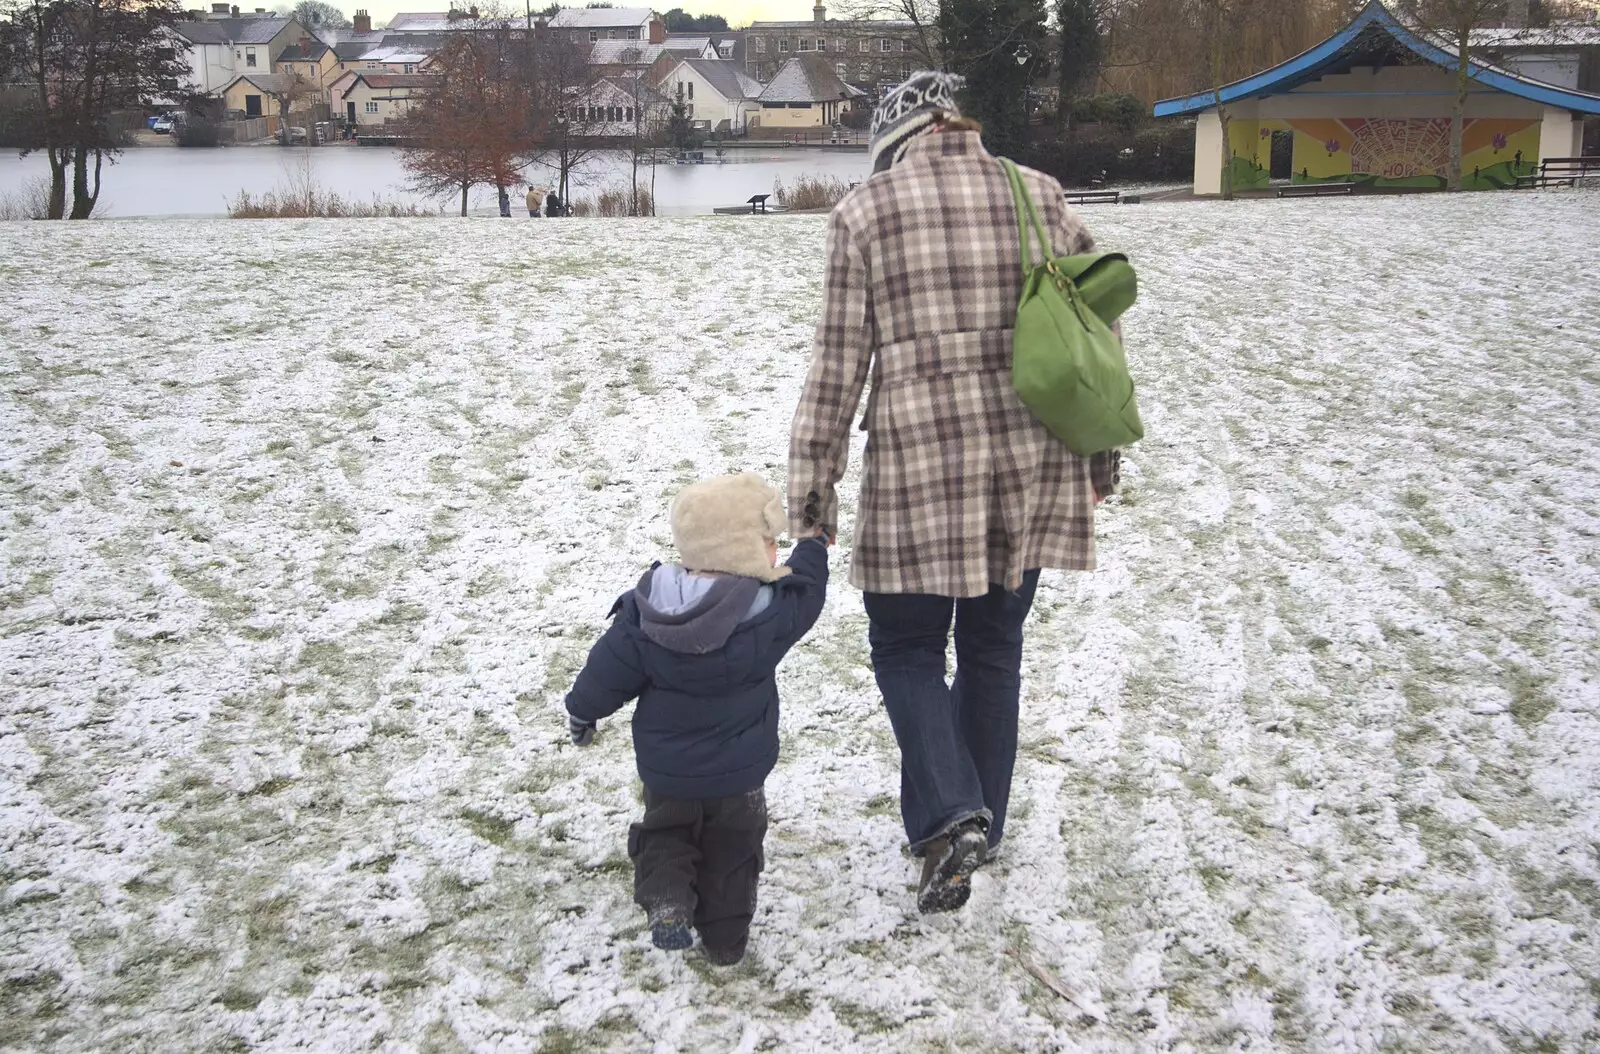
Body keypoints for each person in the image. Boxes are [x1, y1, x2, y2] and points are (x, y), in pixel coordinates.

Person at [787, 71, 1122, 915]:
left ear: (893, 145)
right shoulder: (1041, 195)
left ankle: (948, 815)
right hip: (1031, 468)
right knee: (993, 648)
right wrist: (1103, 454)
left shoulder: (864, 212)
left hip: (921, 469)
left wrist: (813, 492)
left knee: (904, 649)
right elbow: (1099, 332)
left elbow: (836, 368)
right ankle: (981, 826)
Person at [563, 473, 830, 964]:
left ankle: (668, 899)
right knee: (735, 851)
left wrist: (582, 711)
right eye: (768, 542)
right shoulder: (768, 613)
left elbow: (607, 671)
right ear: (745, 549)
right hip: (740, 775)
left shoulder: (647, 610)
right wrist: (813, 544)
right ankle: (726, 942)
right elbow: (809, 590)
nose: (775, 552)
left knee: (666, 834)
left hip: (670, 773)